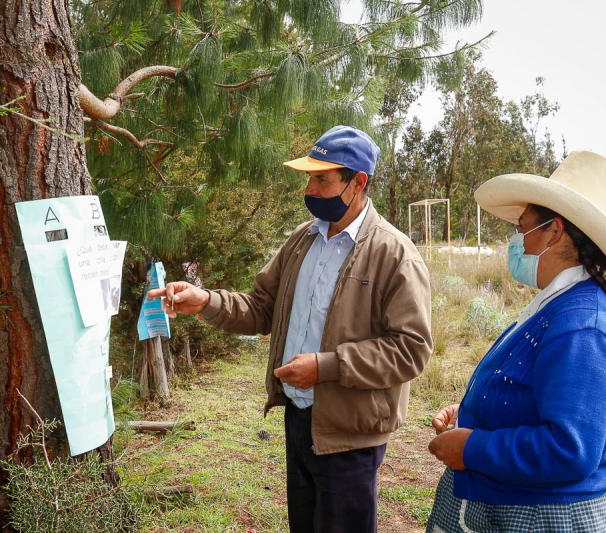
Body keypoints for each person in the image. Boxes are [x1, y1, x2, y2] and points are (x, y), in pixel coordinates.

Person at [148, 125, 432, 533]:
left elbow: (411, 349)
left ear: (359, 182)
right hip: (299, 418)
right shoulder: (303, 240)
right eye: (308, 178)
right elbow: (261, 308)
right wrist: (205, 300)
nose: (311, 189)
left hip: (351, 432)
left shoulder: (393, 253)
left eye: (322, 178)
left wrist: (325, 367)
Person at [426, 151, 606, 532]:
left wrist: (471, 448)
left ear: (555, 232)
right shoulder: (560, 306)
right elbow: (540, 393)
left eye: (523, 227)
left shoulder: (583, 326)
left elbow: (568, 448)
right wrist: (477, 411)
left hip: (540, 517)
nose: (517, 240)